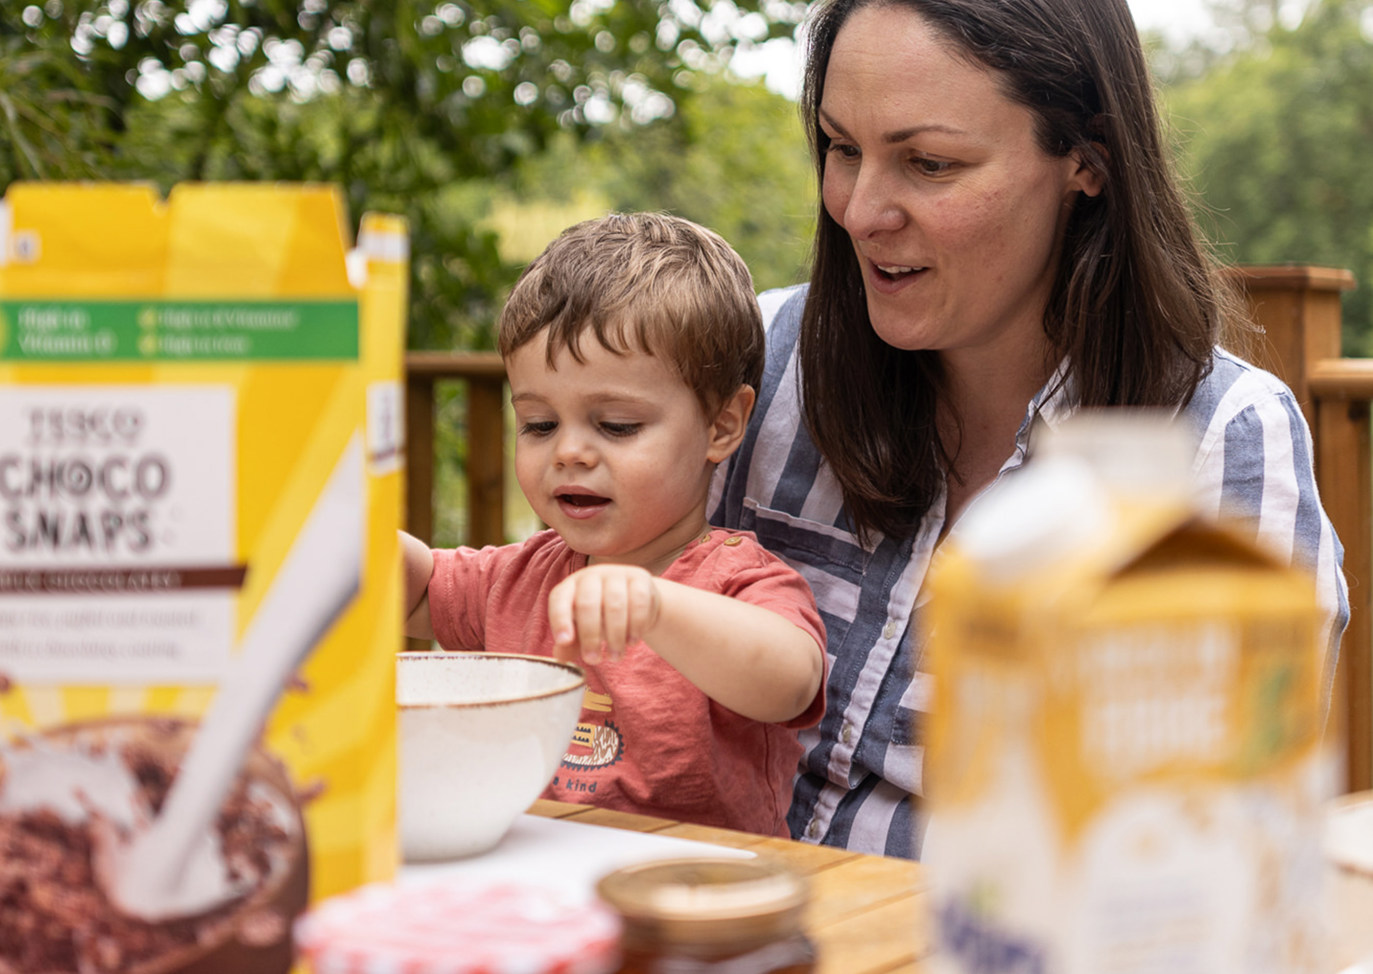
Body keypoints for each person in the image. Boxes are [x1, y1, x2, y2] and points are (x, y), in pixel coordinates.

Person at [708, 0, 1350, 858]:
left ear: (1086, 160)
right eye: (841, 147)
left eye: (928, 163)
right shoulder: (760, 361)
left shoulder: (1218, 437)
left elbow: (1228, 838)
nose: (859, 211)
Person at [402, 212, 827, 837]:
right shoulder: (517, 579)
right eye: (540, 425)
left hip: (696, 884)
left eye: (616, 426)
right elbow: (410, 589)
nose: (569, 451)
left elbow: (790, 682)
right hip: (543, 876)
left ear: (721, 426)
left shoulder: (738, 582)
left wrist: (654, 607)